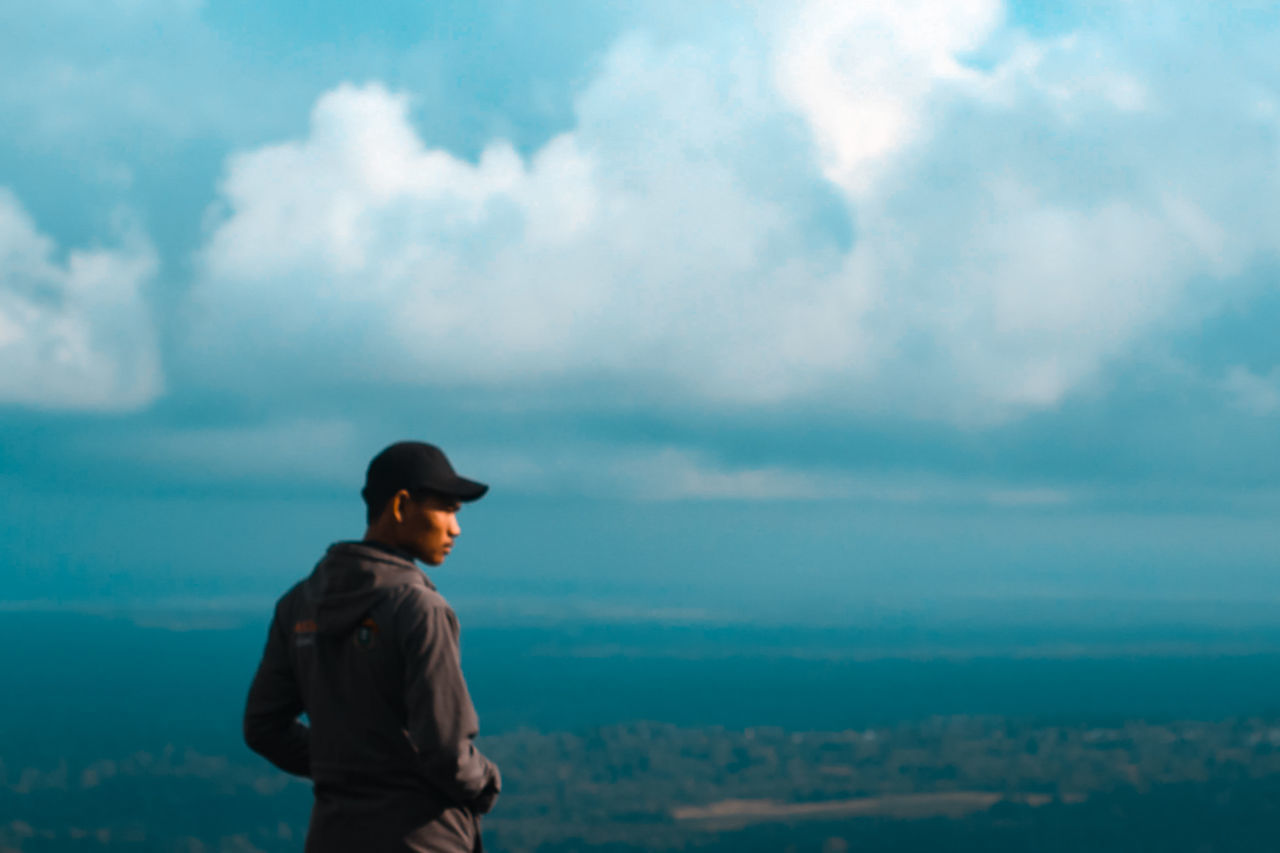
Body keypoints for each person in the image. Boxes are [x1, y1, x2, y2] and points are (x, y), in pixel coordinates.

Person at [243, 441, 501, 852]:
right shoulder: (420, 609)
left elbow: (264, 728)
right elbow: (447, 752)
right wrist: (487, 782)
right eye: (447, 509)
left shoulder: (297, 604)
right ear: (400, 506)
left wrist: (348, 766)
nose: (456, 528)